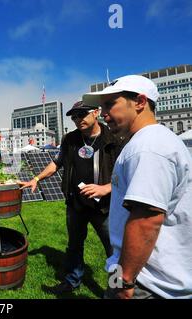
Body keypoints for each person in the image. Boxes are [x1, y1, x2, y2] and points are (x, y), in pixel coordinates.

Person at [83, 75, 192, 299]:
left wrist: (124, 283)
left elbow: (146, 220)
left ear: (140, 102)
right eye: (102, 107)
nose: (103, 114)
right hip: (128, 268)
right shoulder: (146, 142)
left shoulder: (148, 147)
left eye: (110, 104)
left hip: (146, 281)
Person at [20, 101, 123, 294]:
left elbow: (125, 173)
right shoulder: (70, 139)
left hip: (105, 207)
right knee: (74, 245)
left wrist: (105, 188)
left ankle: (117, 288)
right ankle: (72, 280)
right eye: (74, 116)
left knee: (115, 250)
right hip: (76, 205)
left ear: (96, 112)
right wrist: (36, 178)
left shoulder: (113, 138)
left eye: (82, 114)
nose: (77, 119)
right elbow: (56, 163)